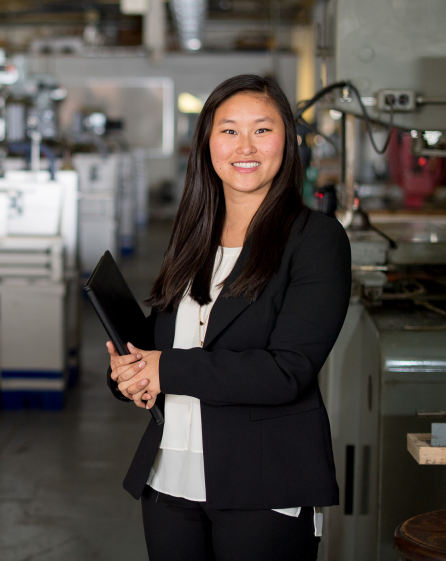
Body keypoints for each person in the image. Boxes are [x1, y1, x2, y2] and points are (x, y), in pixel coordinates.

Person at [107, 74, 350, 561]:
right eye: (228, 130)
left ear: (287, 140)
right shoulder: (193, 234)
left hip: (263, 480)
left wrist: (166, 368)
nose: (245, 146)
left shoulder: (316, 240)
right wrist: (129, 376)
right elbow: (162, 338)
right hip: (169, 477)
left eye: (262, 130)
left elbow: (287, 371)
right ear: (207, 143)